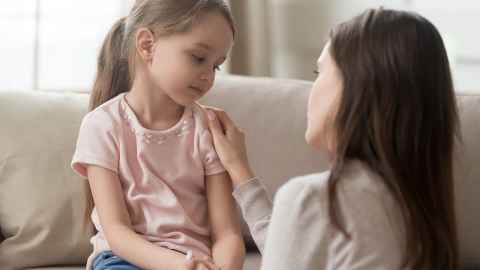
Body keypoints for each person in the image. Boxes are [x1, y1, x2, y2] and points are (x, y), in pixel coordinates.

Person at [206, 8, 460, 270]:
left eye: (319, 73)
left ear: (357, 88)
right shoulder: (417, 208)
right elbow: (296, 250)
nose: (311, 91)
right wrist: (240, 171)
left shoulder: (314, 198)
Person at [71, 1, 244, 270]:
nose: (208, 76)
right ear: (147, 45)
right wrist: (180, 266)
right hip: (122, 260)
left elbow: (227, 234)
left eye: (216, 66)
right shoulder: (101, 126)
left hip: (197, 261)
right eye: (199, 58)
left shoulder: (208, 129)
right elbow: (117, 233)